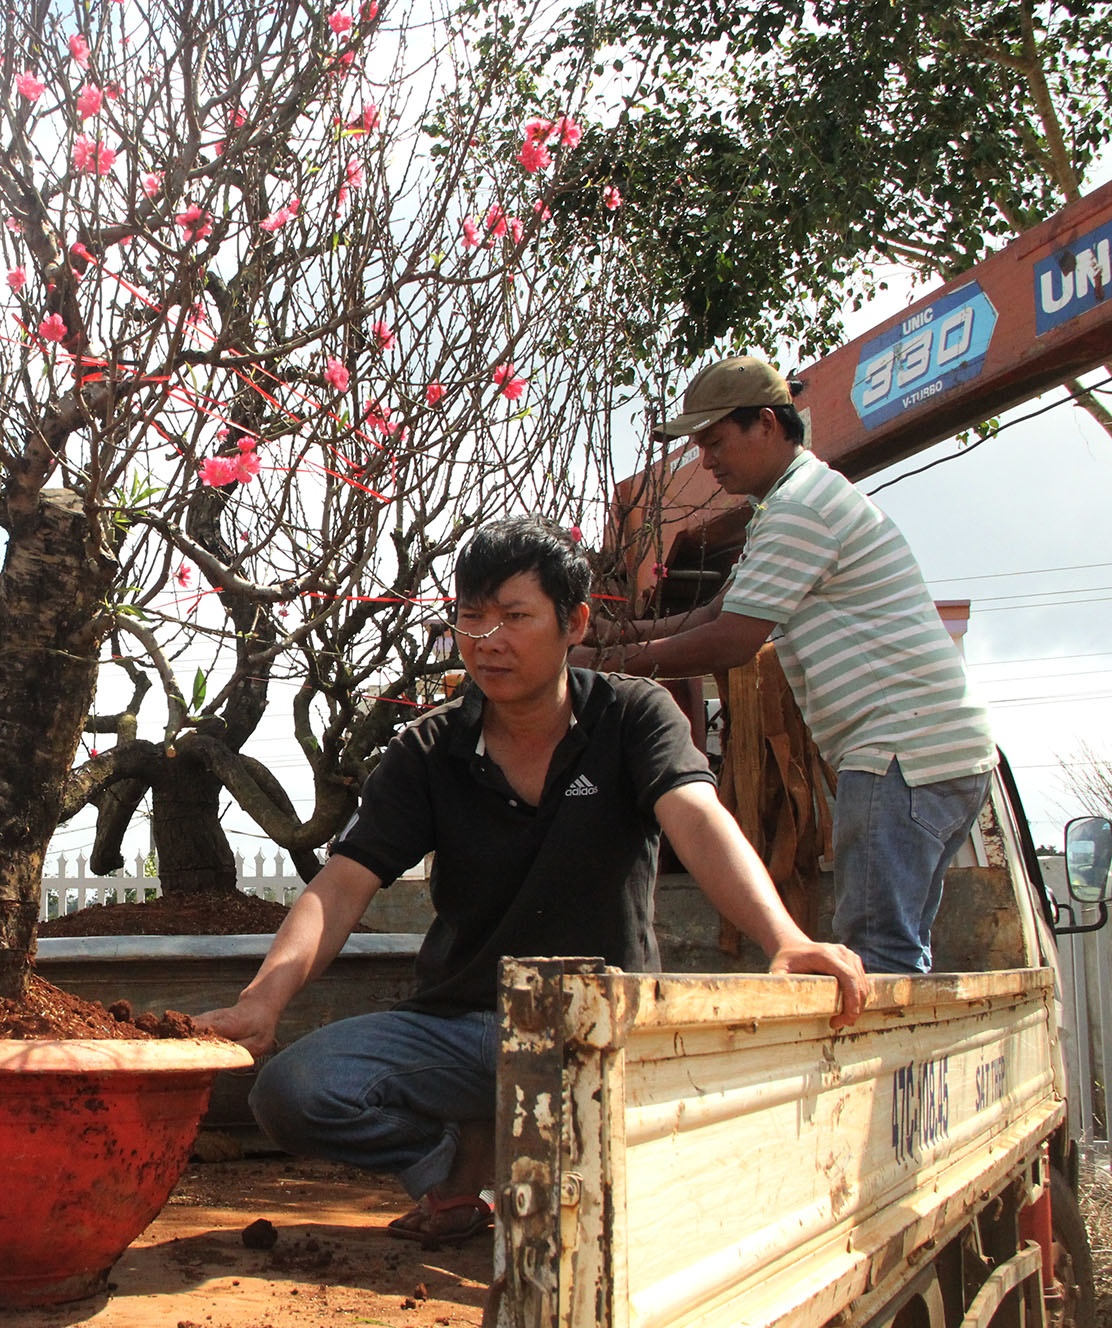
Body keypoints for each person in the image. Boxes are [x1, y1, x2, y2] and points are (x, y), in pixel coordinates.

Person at [196, 518, 866, 1246]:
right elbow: (342, 884)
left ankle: (542, 1158)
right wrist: (263, 999)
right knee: (293, 1091)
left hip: (600, 1023)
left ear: (574, 623)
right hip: (463, 1026)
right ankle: (457, 1169)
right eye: (471, 617)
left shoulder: (633, 716)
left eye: (515, 617)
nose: (488, 641)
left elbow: (697, 819)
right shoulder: (429, 749)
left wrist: (785, 940)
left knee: (615, 1227)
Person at [584, 356, 996, 974]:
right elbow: (717, 613)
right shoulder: (792, 502)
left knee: (877, 959)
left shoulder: (800, 508)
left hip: (898, 757)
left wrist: (605, 666)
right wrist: (614, 640)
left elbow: (731, 641)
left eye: (716, 442)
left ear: (769, 424)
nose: (707, 461)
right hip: (928, 753)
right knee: (895, 952)